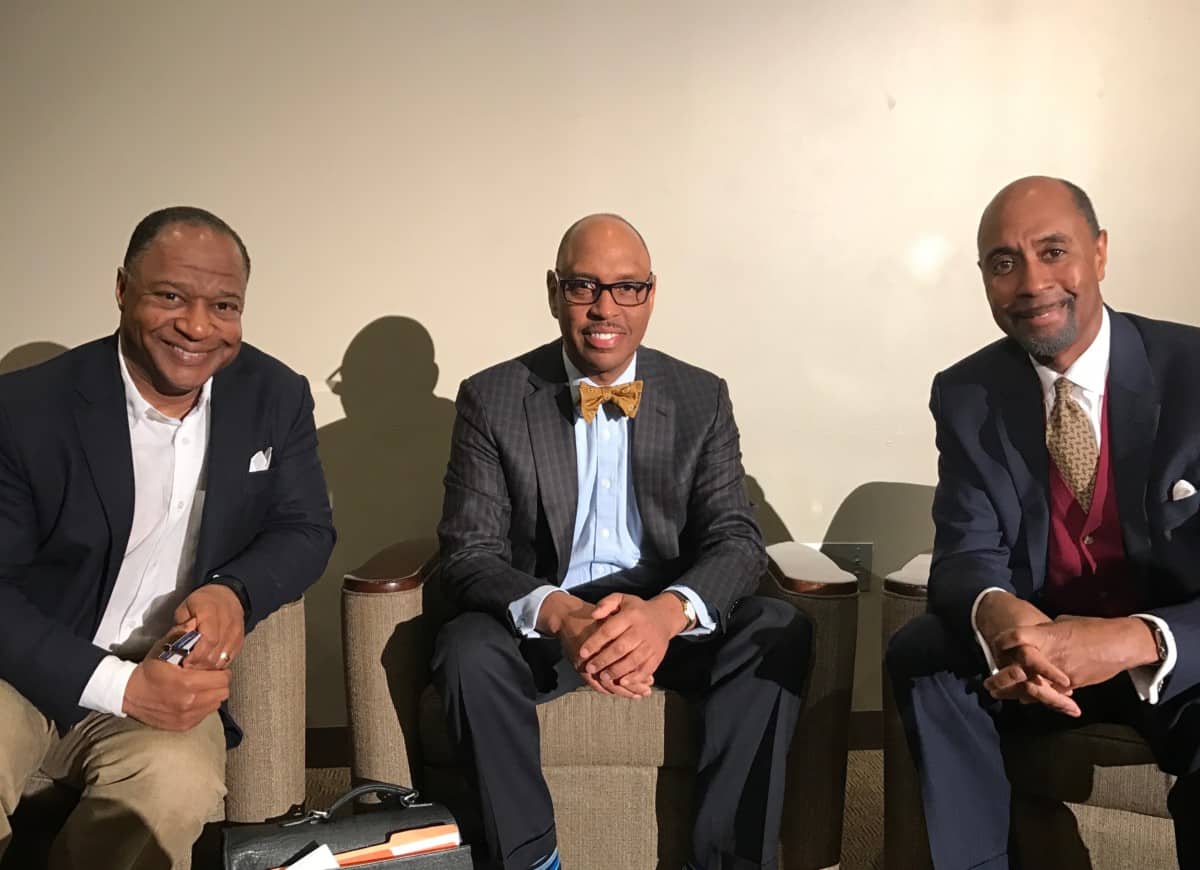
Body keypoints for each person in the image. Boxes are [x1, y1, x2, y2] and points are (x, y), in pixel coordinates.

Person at [430, 213, 811, 870]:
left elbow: (736, 538)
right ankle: (531, 860)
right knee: (466, 648)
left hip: (664, 615)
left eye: (627, 288)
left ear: (650, 294)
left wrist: (667, 616)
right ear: (555, 293)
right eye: (584, 286)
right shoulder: (492, 398)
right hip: (549, 619)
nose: (605, 308)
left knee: (778, 629)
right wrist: (562, 615)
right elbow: (469, 553)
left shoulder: (701, 397)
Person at [0, 206, 335, 869]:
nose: (198, 327)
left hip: (165, 674)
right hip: (21, 671)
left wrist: (235, 591)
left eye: (223, 306)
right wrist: (117, 686)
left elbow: (305, 527)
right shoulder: (25, 409)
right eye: (172, 297)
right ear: (122, 290)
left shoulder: (275, 395)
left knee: (177, 782)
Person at [887, 176, 1200, 869]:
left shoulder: (1192, 370)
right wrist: (1001, 615)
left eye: (1053, 252)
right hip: (1039, 657)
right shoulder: (967, 392)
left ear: (1100, 252)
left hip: (1174, 654)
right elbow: (965, 554)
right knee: (923, 654)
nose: (1031, 283)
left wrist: (1132, 638)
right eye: (1004, 263)